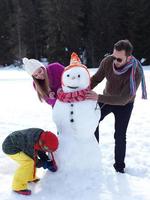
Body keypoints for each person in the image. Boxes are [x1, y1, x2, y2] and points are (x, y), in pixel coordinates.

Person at [86, 39, 147, 173]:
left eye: (119, 59)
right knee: (92, 123)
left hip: (124, 105)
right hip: (106, 100)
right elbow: (96, 79)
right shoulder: (108, 61)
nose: (115, 61)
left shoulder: (135, 72)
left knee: (120, 135)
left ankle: (119, 168)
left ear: (129, 57)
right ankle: (94, 158)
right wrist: (81, 90)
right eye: (114, 57)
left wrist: (98, 97)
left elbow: (124, 99)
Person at [2, 128, 59, 195]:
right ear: (42, 142)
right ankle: (17, 186)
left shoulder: (41, 136)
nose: (46, 150)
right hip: (10, 147)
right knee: (28, 162)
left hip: (18, 142)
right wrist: (45, 164)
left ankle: (29, 177)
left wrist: (46, 160)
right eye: (47, 148)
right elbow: (35, 161)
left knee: (30, 162)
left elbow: (40, 150)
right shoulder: (31, 143)